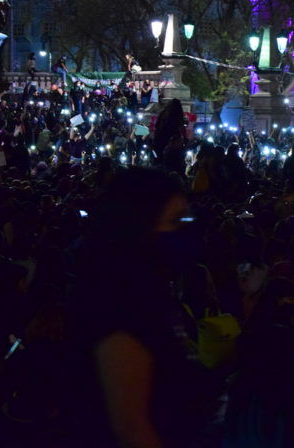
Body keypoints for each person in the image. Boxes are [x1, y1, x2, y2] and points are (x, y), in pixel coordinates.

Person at [80, 168, 220, 448]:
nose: (186, 229)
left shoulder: (153, 294)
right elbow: (132, 428)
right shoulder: (120, 309)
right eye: (176, 220)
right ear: (139, 227)